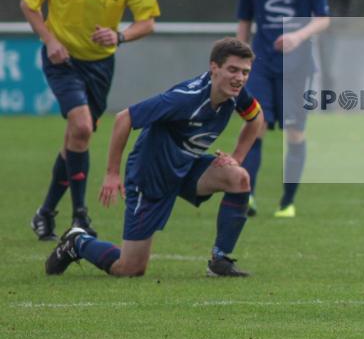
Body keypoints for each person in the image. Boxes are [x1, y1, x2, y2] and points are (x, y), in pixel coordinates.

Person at [45, 38, 264, 278]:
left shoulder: (237, 94)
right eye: (233, 70)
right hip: (150, 176)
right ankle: (77, 242)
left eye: (245, 72)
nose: (240, 78)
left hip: (186, 167)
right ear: (214, 68)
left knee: (238, 178)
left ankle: (220, 261)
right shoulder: (185, 98)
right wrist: (112, 173)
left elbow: (256, 117)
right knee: (130, 268)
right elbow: (124, 118)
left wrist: (236, 157)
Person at [21, 0, 160, 242]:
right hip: (63, 60)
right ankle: (80, 215)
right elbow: (29, 3)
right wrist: (50, 40)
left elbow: (149, 21)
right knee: (81, 127)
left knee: (77, 138)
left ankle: (45, 213)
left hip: (101, 65)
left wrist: (120, 35)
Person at [236, 0, 331, 218]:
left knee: (294, 134)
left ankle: (286, 202)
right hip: (261, 63)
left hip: (297, 66)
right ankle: (246, 195)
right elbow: (245, 19)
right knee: (256, 124)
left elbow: (323, 19)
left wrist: (298, 36)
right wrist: (239, 55)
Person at [309, 0, 358, 95]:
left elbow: (349, 1)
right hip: (306, 28)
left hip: (331, 29)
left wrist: (342, 23)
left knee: (329, 68)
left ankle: (327, 104)